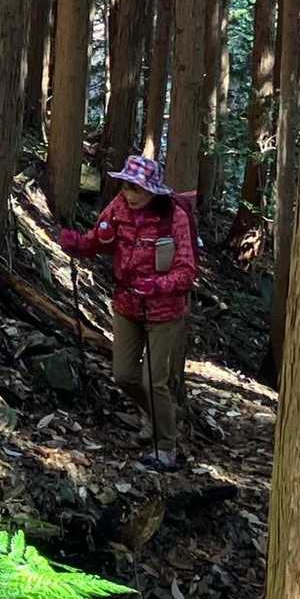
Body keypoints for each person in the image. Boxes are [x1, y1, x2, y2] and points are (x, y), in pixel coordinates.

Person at [57, 155, 196, 470]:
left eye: (137, 188)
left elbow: (187, 271)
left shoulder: (174, 217)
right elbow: (99, 240)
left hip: (165, 311)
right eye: (126, 186)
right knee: (123, 375)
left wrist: (157, 286)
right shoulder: (118, 208)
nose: (130, 194)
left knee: (153, 381)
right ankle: (156, 415)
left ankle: (166, 448)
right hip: (127, 304)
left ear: (152, 190)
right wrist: (77, 245)